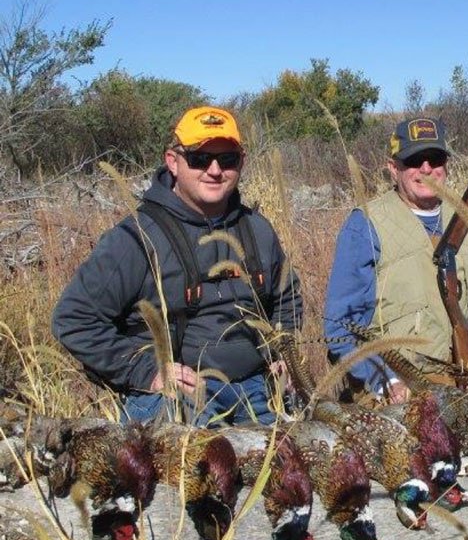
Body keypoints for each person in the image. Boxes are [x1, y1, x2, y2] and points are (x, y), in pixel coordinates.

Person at [52, 106, 302, 426]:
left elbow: (287, 296)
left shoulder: (258, 229)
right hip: (179, 396)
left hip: (257, 388)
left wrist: (283, 352)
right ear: (173, 161)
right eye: (199, 158)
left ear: (242, 162)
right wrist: (147, 372)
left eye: (227, 159)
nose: (214, 170)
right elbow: (72, 320)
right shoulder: (137, 237)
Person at [324, 117, 468, 403]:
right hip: (398, 389)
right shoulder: (365, 224)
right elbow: (339, 325)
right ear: (393, 168)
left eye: (435, 158)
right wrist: (385, 380)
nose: (426, 168)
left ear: (446, 166)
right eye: (414, 159)